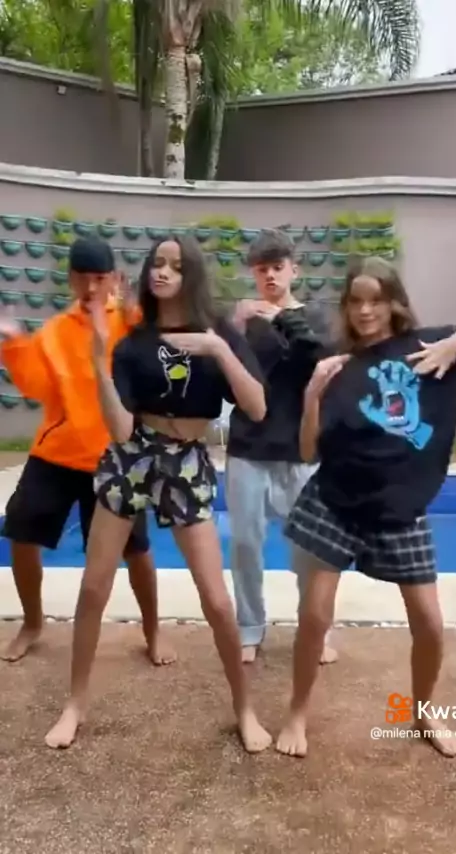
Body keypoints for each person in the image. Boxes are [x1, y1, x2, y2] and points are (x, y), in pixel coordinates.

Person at [45, 235, 273, 754]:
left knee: (217, 600)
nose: (163, 272)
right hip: (133, 455)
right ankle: (75, 704)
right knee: (93, 588)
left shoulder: (217, 332)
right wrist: (100, 359)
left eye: (175, 265)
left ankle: (245, 709)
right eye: (157, 264)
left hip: (187, 462)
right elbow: (121, 430)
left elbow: (257, 408)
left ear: (192, 275)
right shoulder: (134, 343)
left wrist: (217, 348)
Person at [276, 255, 456, 760]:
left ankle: (423, 710)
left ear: (394, 303)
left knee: (430, 624)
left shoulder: (431, 346)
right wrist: (312, 396)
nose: (366, 311)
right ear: (346, 306)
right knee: (314, 616)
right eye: (356, 301)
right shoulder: (338, 366)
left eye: (376, 300)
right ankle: (297, 711)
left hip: (399, 510)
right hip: (336, 502)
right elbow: (307, 452)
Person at [0, 237, 175, 667]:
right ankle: (33, 623)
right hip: (57, 453)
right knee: (21, 532)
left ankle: (153, 630)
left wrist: (139, 318)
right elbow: (37, 387)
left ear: (113, 278)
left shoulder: (131, 322)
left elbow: (156, 365)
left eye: (100, 279)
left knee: (136, 549)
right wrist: (13, 344)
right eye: (84, 279)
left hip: (115, 455)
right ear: (71, 279)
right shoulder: (56, 331)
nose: (92, 288)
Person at [226, 229, 338, 664]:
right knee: (244, 545)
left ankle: (315, 629)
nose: (270, 276)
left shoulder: (317, 318)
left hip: (301, 451)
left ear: (294, 269)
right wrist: (236, 326)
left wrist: (280, 319)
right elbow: (225, 376)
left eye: (277, 267)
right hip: (248, 448)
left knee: (309, 551)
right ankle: (249, 627)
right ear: (253, 273)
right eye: (262, 269)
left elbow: (319, 361)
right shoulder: (242, 320)